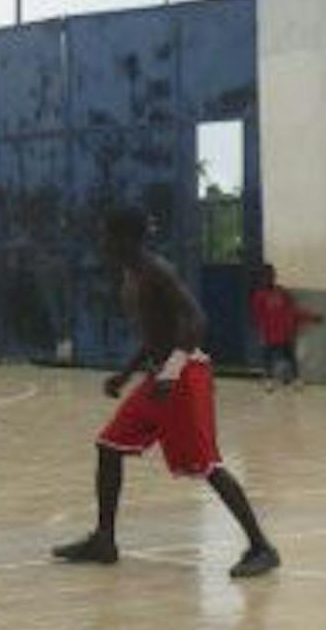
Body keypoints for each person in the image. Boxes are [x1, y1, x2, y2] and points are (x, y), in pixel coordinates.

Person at [55, 208, 280, 579]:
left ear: (125, 238)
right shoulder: (132, 274)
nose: (102, 242)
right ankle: (104, 539)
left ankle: (261, 546)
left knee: (207, 465)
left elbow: (196, 321)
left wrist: (171, 372)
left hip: (185, 374)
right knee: (109, 445)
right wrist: (126, 376)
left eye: (106, 234)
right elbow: (156, 334)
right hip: (162, 374)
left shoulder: (158, 271)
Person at [248, 263, 322, 390]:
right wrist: (261, 332)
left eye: (271, 275)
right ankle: (269, 381)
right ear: (261, 278)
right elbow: (257, 317)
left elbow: (294, 311)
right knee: (268, 358)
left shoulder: (282, 292)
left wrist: (311, 317)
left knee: (291, 357)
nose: (269, 278)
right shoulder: (258, 296)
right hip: (269, 335)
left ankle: (296, 380)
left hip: (286, 333)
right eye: (266, 276)